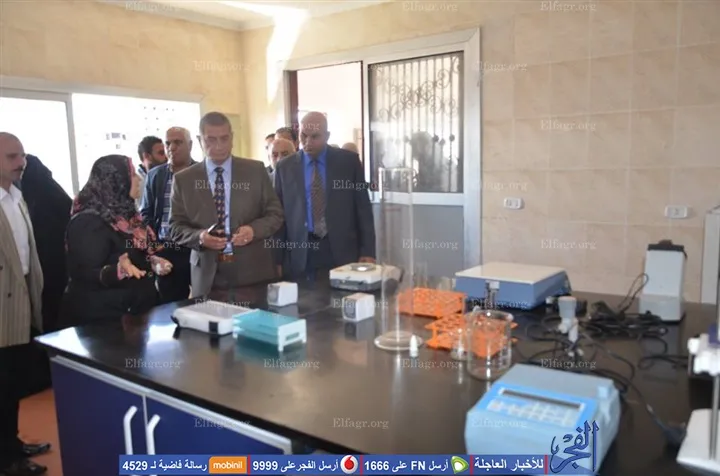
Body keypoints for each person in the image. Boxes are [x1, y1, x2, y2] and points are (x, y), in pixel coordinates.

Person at [169, 112, 284, 297]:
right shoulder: (184, 180)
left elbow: (275, 214)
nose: (219, 146)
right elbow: (175, 227)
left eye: (224, 138)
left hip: (253, 272)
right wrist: (200, 237)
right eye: (211, 140)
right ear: (199, 140)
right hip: (208, 277)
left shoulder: (255, 171)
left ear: (232, 137)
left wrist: (253, 230)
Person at [60, 155, 173, 328]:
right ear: (115, 181)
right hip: (101, 322)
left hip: (132, 316)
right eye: (132, 174)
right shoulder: (88, 222)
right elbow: (82, 273)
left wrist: (151, 261)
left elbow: (128, 254)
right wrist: (117, 271)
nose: (138, 179)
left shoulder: (125, 217)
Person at [274, 112, 376, 280]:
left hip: (342, 250)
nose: (308, 142)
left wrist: (368, 251)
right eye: (303, 136)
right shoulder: (285, 167)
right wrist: (277, 259)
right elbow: (279, 215)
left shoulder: (348, 163)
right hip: (301, 252)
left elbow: (363, 209)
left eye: (315, 137)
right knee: (303, 297)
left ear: (327, 136)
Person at [0, 132, 50, 476]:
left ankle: (14, 443)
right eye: (12, 157)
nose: (21, 163)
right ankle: (6, 460)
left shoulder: (17, 197)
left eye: (22, 156)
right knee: (2, 388)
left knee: (14, 383)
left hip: (22, 304)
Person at [14, 154, 72, 398]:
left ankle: (41, 372)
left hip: (44, 269)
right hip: (55, 269)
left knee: (43, 317)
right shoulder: (50, 194)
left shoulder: (30, 199)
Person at [140, 127, 196, 303]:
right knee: (170, 306)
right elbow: (146, 213)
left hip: (195, 248)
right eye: (168, 143)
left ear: (190, 145)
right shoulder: (155, 175)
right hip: (165, 249)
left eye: (177, 142)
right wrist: (153, 245)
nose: (171, 148)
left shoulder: (202, 173)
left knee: (203, 304)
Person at [136, 136, 167, 208]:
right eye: (161, 153)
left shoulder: (167, 177)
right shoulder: (135, 184)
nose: (166, 157)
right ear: (146, 156)